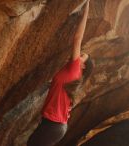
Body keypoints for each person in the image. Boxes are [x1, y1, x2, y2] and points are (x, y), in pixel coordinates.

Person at [27, 1, 93, 146]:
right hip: (55, 126)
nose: (79, 55)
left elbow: (77, 39)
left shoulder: (75, 70)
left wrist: (87, 7)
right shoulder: (71, 74)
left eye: (82, 56)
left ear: (82, 66)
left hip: (53, 126)